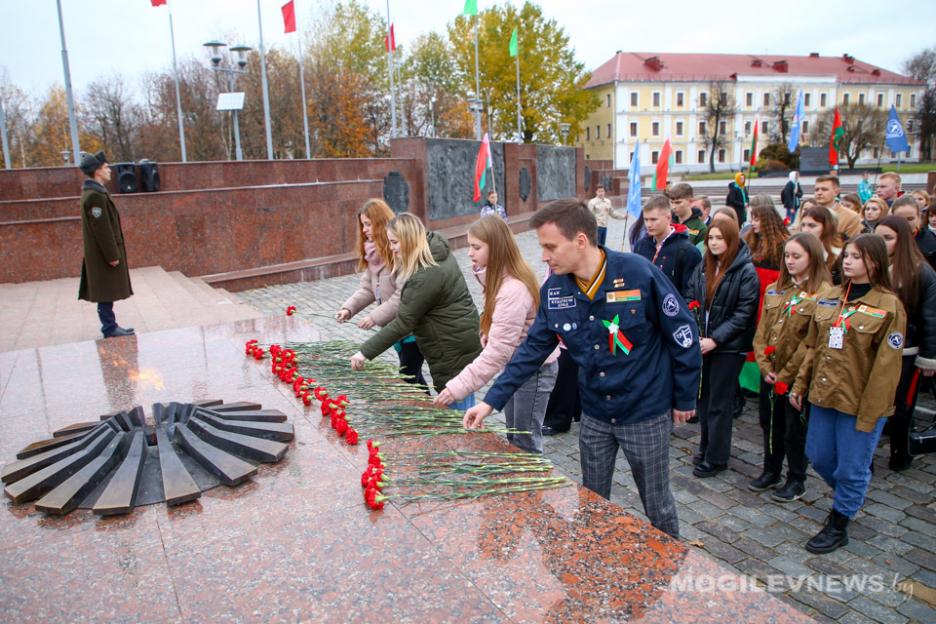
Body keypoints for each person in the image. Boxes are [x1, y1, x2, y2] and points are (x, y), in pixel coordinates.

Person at [463, 199, 702, 538]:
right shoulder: (555, 290)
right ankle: (592, 563)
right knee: (592, 500)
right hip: (595, 415)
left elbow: (683, 333)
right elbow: (531, 350)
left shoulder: (636, 272)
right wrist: (491, 401)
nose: (544, 256)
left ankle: (673, 566)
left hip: (644, 412)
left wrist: (684, 397)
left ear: (579, 240)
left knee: (657, 502)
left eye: (550, 246)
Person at [791, 234, 905, 554]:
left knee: (851, 467)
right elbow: (812, 347)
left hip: (859, 402)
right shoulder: (830, 297)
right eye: (847, 256)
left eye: (857, 256)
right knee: (820, 456)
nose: (848, 261)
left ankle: (839, 521)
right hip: (825, 396)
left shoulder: (888, 305)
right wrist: (800, 384)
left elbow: (886, 369)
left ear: (875, 262)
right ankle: (850, 492)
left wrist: (871, 413)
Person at [433, 216, 559, 452]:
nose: (469, 253)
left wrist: (456, 388)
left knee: (524, 441)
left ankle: (533, 488)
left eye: (476, 247)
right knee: (515, 435)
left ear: (497, 248)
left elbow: (496, 354)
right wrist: (487, 330)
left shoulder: (512, 289)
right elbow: (495, 320)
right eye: (470, 245)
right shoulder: (495, 276)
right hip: (518, 366)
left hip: (534, 370)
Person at [350, 214, 482, 408]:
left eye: (395, 242)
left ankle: (471, 434)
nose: (392, 248)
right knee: (462, 397)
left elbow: (404, 321)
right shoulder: (433, 254)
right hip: (459, 338)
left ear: (408, 239)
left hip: (451, 346)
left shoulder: (426, 274)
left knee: (458, 410)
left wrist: (364, 352)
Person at [751, 233, 832, 500]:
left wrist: (785, 374)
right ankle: (771, 469)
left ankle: (796, 478)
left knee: (793, 430)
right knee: (769, 423)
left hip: (795, 376)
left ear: (813, 258)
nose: (790, 261)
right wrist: (764, 366)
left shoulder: (822, 294)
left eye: (797, 256)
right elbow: (762, 331)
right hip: (770, 373)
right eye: (787, 256)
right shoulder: (777, 288)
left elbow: (811, 342)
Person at [684, 217, 759, 477]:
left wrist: (715, 339)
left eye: (720, 238)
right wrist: (696, 333)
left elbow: (743, 313)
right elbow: (689, 298)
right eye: (711, 238)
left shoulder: (745, 271)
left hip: (728, 347)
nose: (714, 243)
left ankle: (717, 458)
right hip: (703, 343)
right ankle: (706, 448)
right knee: (704, 400)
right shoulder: (703, 267)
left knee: (719, 403)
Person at [336, 199, 427, 387]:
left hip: (412, 330)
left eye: (368, 224)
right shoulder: (374, 254)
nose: (364, 230)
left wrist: (374, 317)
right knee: (414, 380)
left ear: (380, 223)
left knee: (407, 379)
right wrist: (349, 308)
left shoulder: (399, 252)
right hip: (393, 331)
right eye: (362, 225)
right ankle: (430, 411)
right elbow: (368, 289)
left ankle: (418, 413)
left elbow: (402, 296)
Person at [874, 216, 936, 471]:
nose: (881, 243)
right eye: (878, 237)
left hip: (905, 351)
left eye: (887, 238)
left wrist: (929, 357)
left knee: (901, 406)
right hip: (873, 348)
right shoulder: (871, 266)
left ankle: (901, 451)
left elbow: (930, 317)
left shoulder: (921, 271)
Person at [77, 151, 135, 339]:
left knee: (106, 291)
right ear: (97, 171)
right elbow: (102, 230)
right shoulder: (94, 196)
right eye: (106, 167)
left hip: (101, 253)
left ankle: (111, 326)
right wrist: (112, 255)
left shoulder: (95, 192)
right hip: (103, 254)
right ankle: (109, 328)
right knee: (104, 291)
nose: (109, 170)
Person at [633, 195, 702, 298]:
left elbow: (691, 293)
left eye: (653, 219)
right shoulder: (640, 246)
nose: (648, 224)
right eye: (646, 220)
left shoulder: (688, 251)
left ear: (668, 218)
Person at [892, 196, 936, 271]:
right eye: (899, 219)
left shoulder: (930, 241)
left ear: (919, 217)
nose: (905, 223)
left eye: (910, 219)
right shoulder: (884, 238)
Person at [800, 206, 842, 284]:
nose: (805, 230)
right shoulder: (798, 249)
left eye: (812, 226)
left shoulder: (838, 255)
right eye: (803, 225)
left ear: (826, 227)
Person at [814, 175, 861, 242]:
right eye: (816, 190)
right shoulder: (808, 213)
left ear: (836, 192)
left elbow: (850, 245)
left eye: (824, 189)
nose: (819, 193)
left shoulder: (851, 217)